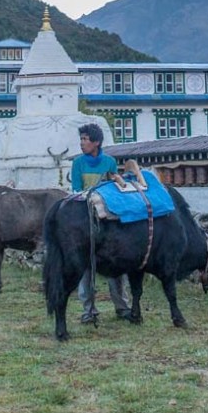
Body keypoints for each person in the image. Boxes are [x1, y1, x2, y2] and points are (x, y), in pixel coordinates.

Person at [70, 123, 132, 324]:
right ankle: (88, 310)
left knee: (115, 265)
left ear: (96, 142)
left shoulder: (110, 162)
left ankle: (122, 307)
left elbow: (114, 187)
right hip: (85, 215)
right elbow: (77, 190)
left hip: (107, 218)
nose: (82, 143)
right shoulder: (78, 163)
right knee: (85, 267)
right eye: (81, 139)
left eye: (85, 139)